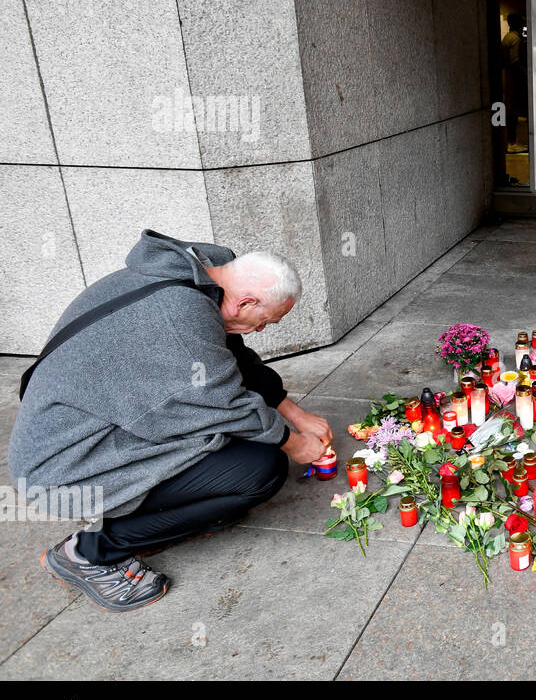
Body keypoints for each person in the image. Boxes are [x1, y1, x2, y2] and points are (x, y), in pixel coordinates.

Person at [10, 230, 330, 610]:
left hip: (91, 424)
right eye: (264, 321)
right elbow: (228, 404)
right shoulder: (180, 318)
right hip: (64, 465)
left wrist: (297, 414)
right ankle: (89, 553)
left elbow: (234, 358)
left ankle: (179, 513)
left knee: (239, 450)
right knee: (260, 470)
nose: (261, 330)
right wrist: (296, 444)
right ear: (245, 301)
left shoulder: (199, 276)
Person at [501, 13, 527, 153]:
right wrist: (525, 76)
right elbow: (515, 61)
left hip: (508, 79)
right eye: (522, 22)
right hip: (514, 81)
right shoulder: (515, 39)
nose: (524, 25)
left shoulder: (507, 37)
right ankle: (512, 142)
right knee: (513, 112)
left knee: (512, 111)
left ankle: (511, 141)